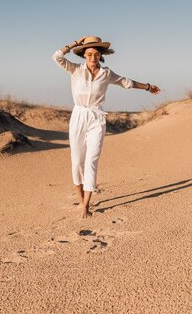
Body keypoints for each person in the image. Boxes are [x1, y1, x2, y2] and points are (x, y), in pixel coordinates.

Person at [52, 36, 161, 218]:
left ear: (101, 55)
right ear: (84, 55)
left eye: (96, 54)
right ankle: (80, 199)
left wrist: (148, 87)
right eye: (89, 54)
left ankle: (86, 204)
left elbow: (127, 82)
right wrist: (74, 44)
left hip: (97, 117)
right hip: (78, 116)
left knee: (92, 160)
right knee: (77, 160)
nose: (93, 58)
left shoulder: (106, 74)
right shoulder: (75, 70)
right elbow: (56, 57)